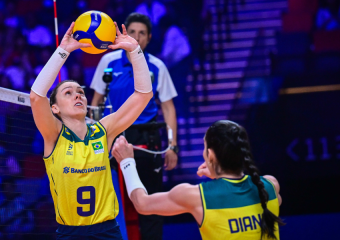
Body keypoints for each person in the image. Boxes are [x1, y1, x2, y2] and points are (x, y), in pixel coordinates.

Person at [30, 20, 153, 239]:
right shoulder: (53, 134)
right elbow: (36, 97)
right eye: (68, 92)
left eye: (80, 91)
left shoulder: (102, 130)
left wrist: (134, 50)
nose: (78, 94)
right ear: (55, 108)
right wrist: (63, 51)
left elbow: (143, 95)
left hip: (107, 231)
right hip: (70, 233)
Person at [112, 120, 284, 240]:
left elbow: (142, 204)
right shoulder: (270, 185)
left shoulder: (196, 196)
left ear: (210, 155)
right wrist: (218, 173)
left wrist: (127, 162)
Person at [90, 13, 178, 239]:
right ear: (124, 34)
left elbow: (168, 108)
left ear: (149, 38)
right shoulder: (107, 62)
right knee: (113, 204)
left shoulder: (158, 66)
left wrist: (172, 146)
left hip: (147, 141)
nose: (137, 37)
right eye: (132, 32)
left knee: (151, 205)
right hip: (114, 138)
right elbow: (95, 103)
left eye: (142, 33)